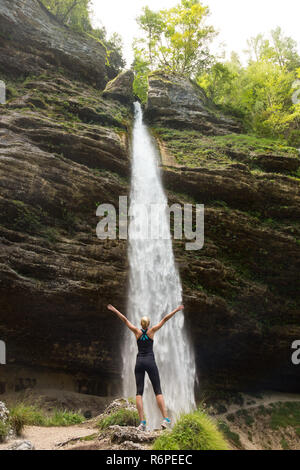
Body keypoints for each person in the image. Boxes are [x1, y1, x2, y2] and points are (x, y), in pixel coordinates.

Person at [107, 303, 184, 431]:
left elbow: (125, 320)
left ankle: (142, 422)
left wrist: (115, 309)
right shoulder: (152, 331)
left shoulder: (136, 332)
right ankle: (165, 419)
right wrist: (176, 310)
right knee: (157, 390)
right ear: (148, 324)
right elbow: (164, 319)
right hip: (150, 361)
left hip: (139, 362)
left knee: (139, 392)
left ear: (141, 324)